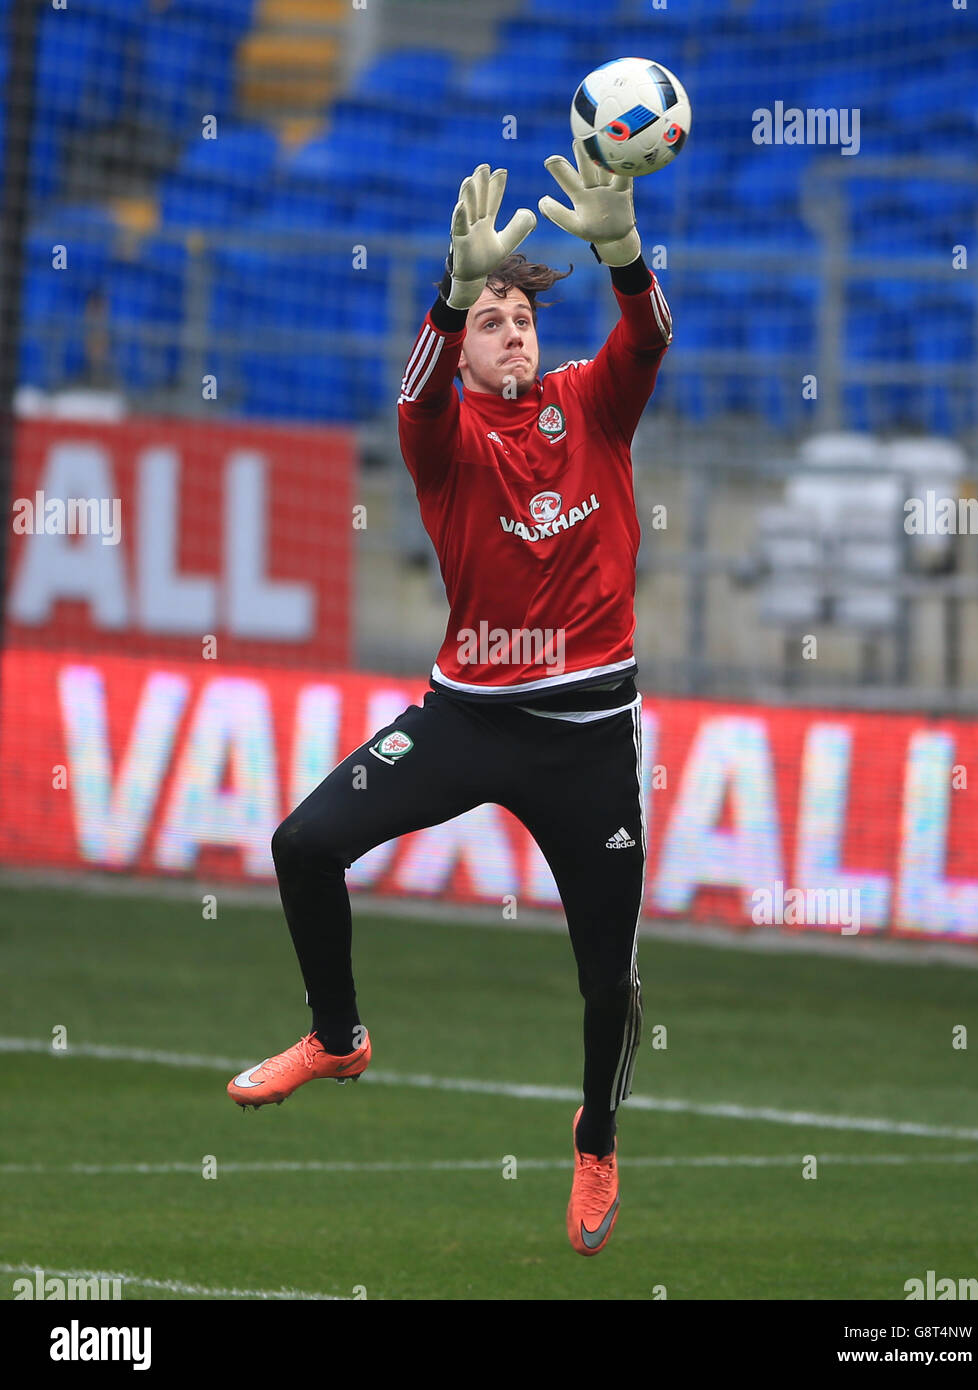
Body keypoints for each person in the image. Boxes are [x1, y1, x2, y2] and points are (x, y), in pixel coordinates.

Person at [228, 142, 672, 1256]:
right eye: (490, 317)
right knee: (300, 844)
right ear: (464, 348)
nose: (513, 328)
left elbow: (649, 336)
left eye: (522, 314)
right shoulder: (445, 437)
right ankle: (337, 1037)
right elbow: (412, 392)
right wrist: (444, 286)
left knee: (607, 982)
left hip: (584, 738)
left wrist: (620, 250)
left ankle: (597, 1136)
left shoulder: (592, 405)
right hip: (464, 718)